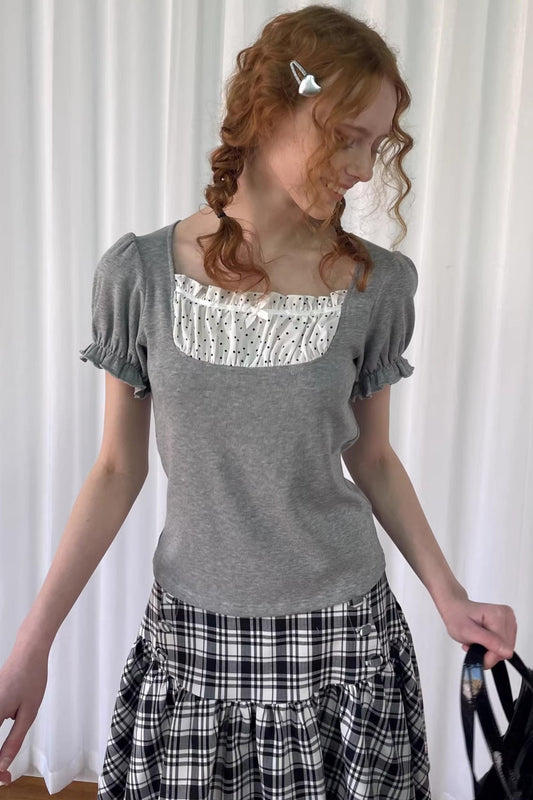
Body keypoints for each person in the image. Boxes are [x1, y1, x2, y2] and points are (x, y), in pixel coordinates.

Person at [0, 5, 517, 798]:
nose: (361, 167)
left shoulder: (376, 285)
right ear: (269, 109)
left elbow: (373, 457)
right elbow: (115, 470)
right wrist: (33, 644)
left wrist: (449, 597)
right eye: (346, 136)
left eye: (376, 144)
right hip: (191, 642)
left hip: (345, 643)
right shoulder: (137, 275)